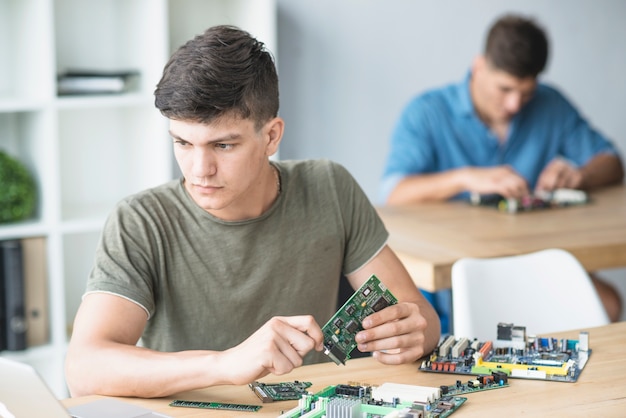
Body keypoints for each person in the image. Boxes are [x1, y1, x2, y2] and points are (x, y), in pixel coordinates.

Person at [65, 25, 441, 398]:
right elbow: (84, 368)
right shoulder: (140, 221)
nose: (199, 170)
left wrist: (412, 333)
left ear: (272, 136)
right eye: (182, 142)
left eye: (223, 145)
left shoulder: (330, 187)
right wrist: (225, 364)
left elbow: (421, 321)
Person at [380, 14, 624, 330]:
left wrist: (581, 176)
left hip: (534, 263)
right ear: (479, 66)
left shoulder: (551, 104)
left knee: (607, 304)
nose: (514, 104)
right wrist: (465, 177)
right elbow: (393, 192)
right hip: (454, 277)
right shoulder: (426, 112)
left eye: (526, 93)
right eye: (505, 88)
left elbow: (612, 161)